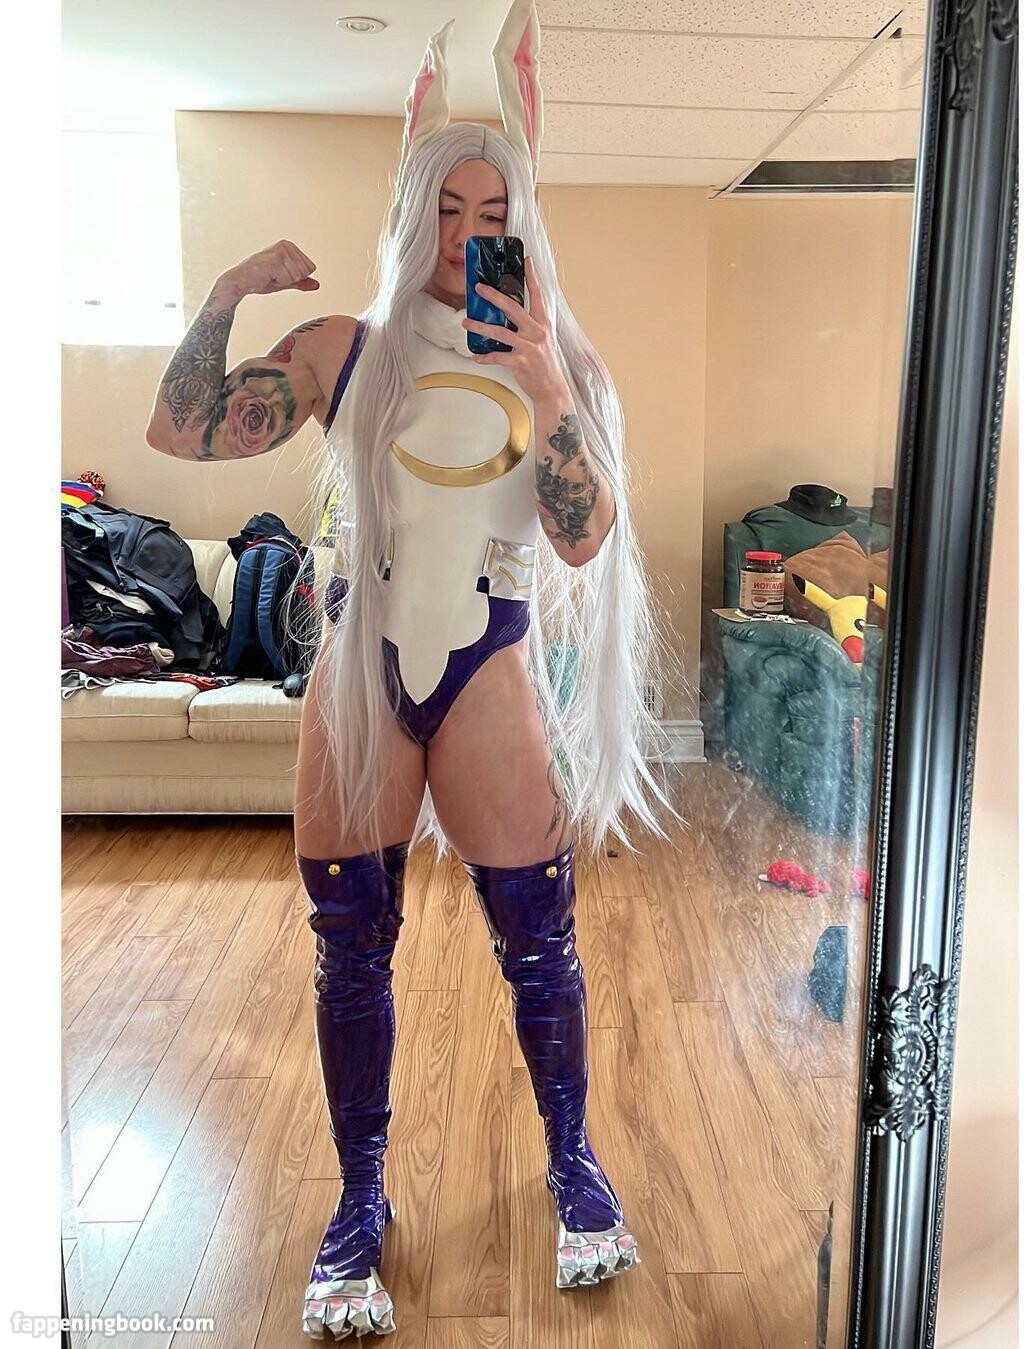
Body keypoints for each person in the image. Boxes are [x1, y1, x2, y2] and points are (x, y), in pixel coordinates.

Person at [146, 2, 682, 1338]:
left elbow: (585, 535)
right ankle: (358, 1199)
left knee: (540, 946)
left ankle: (574, 1163)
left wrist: (545, 380)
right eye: (446, 207)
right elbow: (184, 429)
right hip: (359, 672)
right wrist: (226, 293)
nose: (465, 234)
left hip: (489, 665)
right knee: (350, 955)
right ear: (410, 208)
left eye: (492, 211)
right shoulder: (350, 352)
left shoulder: (562, 365)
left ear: (525, 220)